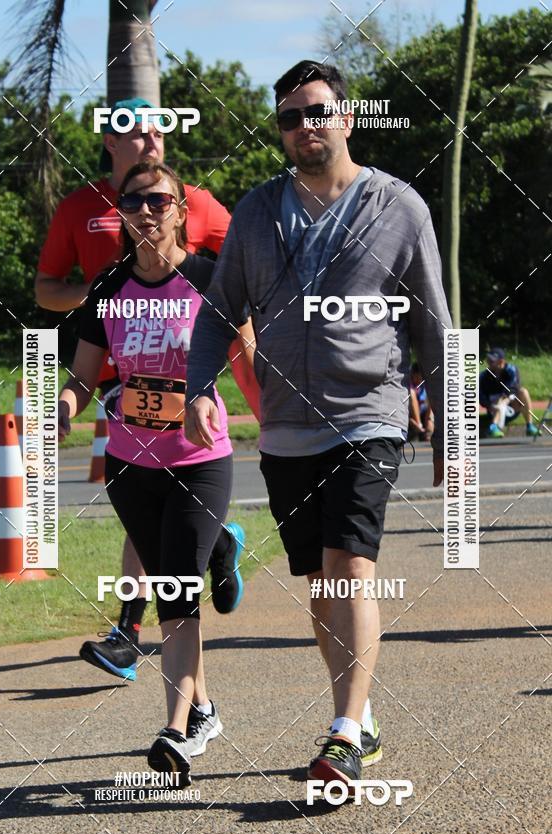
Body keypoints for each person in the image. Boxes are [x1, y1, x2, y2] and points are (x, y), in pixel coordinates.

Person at [184, 60, 451, 790]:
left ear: (347, 117)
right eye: (290, 117)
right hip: (286, 426)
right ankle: (359, 715)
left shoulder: (399, 207)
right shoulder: (257, 211)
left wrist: (453, 432)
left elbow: (434, 323)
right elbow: (217, 312)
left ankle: (341, 731)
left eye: (317, 111)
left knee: (351, 565)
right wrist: (199, 384)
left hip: (369, 413)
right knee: (321, 586)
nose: (305, 127)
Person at [37, 98, 259, 680]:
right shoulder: (80, 212)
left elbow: (244, 269)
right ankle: (211, 553)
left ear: (180, 210)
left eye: (160, 133)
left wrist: (263, 399)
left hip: (187, 394)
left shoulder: (197, 210)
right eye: (138, 134)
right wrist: (99, 302)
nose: (153, 143)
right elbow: (46, 293)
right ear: (110, 142)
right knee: (158, 533)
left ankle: (135, 641)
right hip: (116, 372)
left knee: (173, 570)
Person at [59, 161, 257, 783]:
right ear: (122, 212)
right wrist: (62, 408)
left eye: (160, 201)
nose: (148, 211)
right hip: (130, 465)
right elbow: (83, 376)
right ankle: (203, 708)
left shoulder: (208, 279)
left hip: (200, 462)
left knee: (174, 592)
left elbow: (249, 360)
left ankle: (174, 730)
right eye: (136, 201)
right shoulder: (109, 286)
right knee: (172, 580)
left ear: (180, 211)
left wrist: (279, 424)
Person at [479, 348, 538, 437]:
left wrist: (505, 400)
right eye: (488, 360)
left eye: (491, 361)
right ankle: (493, 427)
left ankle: (530, 426)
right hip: (494, 409)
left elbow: (514, 388)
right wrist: (490, 405)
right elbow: (480, 395)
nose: (489, 363)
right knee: (498, 399)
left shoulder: (512, 370)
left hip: (512, 406)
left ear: (501, 362)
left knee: (523, 391)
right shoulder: (483, 376)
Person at [408, 362, 433, 441]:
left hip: (425, 415)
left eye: (420, 378)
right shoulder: (409, 385)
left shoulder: (426, 385)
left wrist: (429, 420)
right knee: (411, 392)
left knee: (432, 393)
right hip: (412, 417)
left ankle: (427, 427)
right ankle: (419, 424)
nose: (418, 380)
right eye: (416, 377)